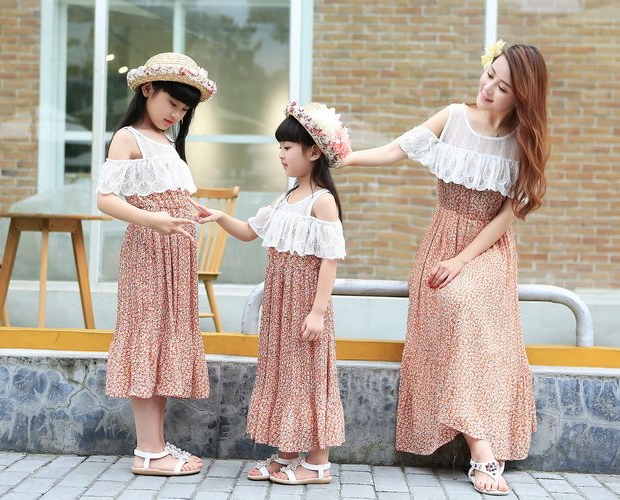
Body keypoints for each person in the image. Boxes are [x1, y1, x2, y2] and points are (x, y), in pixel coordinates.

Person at [339, 41, 549, 496]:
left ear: (523, 96)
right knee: (455, 310)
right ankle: (482, 448)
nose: (488, 89)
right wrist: (349, 158)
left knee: (464, 304)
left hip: (487, 250)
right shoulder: (453, 117)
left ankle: (482, 447)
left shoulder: (523, 141)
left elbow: (508, 215)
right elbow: (396, 149)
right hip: (441, 241)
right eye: (489, 75)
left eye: (503, 87)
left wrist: (463, 259)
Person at [193, 101, 351, 485]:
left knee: (308, 378)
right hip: (280, 304)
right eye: (279, 147)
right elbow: (250, 231)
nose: (281, 154)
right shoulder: (285, 198)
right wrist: (219, 217)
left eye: (288, 147)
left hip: (304, 304)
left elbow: (330, 261)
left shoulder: (321, 201)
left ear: (313, 152)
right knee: (284, 376)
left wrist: (317, 312)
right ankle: (287, 453)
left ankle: (318, 463)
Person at [96, 52, 218, 477]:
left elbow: (165, 192)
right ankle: (147, 451)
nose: (176, 114)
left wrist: (189, 210)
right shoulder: (128, 137)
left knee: (164, 344)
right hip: (149, 252)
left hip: (174, 255)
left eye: (183, 110)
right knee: (148, 339)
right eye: (172, 103)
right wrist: (156, 220)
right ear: (147, 90)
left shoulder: (166, 142)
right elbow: (106, 199)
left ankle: (156, 445)